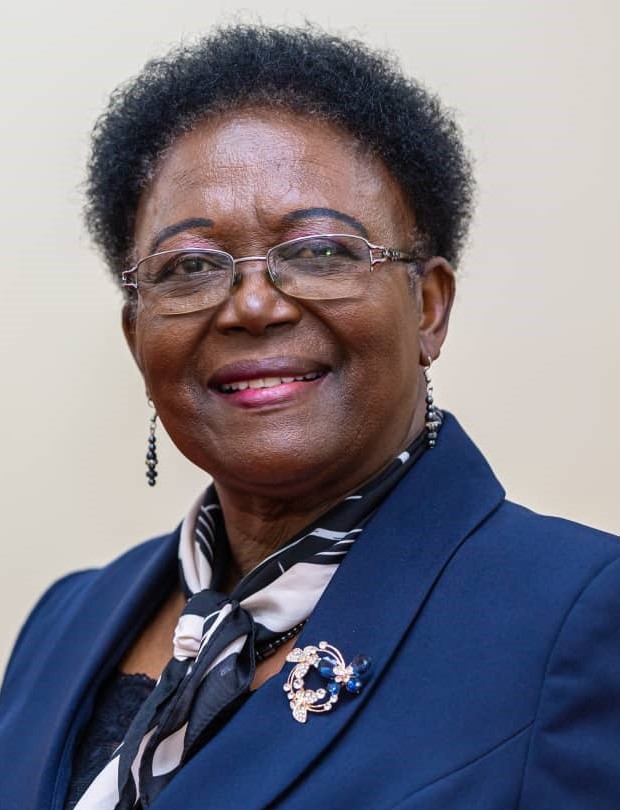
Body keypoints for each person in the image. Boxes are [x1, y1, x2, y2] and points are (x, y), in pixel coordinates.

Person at [1, 24, 619, 810]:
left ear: (428, 308)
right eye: (190, 266)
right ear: (136, 334)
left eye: (320, 252)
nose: (253, 306)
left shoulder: (578, 618)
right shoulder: (64, 622)